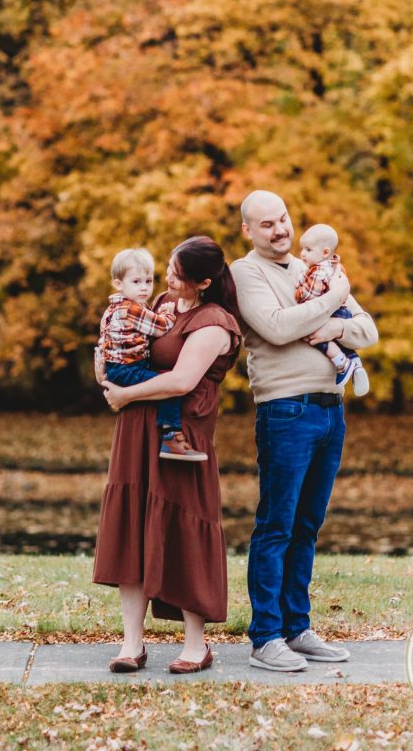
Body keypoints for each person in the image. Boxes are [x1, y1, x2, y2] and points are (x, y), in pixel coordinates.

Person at [230, 190, 378, 672]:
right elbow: (274, 327)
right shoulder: (245, 273)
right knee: (276, 525)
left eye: (284, 219)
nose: (280, 230)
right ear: (248, 230)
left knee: (308, 526)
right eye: (267, 223)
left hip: (331, 411)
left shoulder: (311, 268)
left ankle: (298, 628)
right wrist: (335, 302)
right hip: (284, 410)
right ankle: (266, 637)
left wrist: (335, 328)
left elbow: (368, 331)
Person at [94, 236, 241, 675]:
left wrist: (123, 395)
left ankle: (196, 645)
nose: (167, 278)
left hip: (182, 438)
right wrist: (103, 368)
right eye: (168, 270)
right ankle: (131, 644)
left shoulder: (214, 322)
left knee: (185, 532)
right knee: (133, 530)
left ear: (203, 281)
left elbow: (180, 382)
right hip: (137, 433)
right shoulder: (157, 303)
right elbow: (115, 342)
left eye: (176, 273)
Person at [95, 246, 207, 461]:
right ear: (119, 284)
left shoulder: (112, 309)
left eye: (148, 281)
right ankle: (170, 435)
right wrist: (167, 313)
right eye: (136, 282)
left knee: (162, 383)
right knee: (168, 386)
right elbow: (160, 326)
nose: (144, 288)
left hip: (117, 367)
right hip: (127, 369)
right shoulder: (131, 309)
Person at [296, 224, 370, 396]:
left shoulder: (318, 271)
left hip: (332, 313)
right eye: (302, 249)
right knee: (333, 338)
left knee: (312, 335)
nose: (302, 254)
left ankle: (341, 363)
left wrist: (297, 290)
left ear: (324, 252)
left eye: (308, 249)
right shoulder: (335, 266)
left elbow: (306, 296)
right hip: (343, 312)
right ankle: (355, 362)